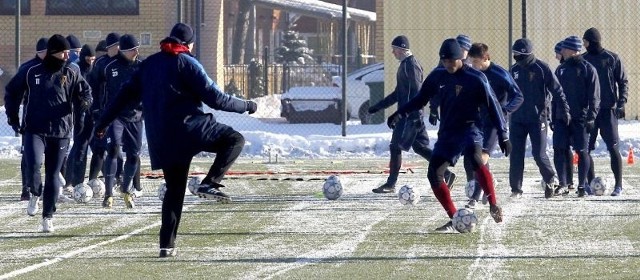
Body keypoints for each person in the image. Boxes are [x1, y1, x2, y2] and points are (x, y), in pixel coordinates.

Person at [94, 23, 257, 257]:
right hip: (190, 129)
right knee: (234, 140)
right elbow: (216, 98)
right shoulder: (187, 62)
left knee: (174, 191)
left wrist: (102, 123)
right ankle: (210, 182)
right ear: (189, 44)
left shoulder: (148, 65)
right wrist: (247, 106)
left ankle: (166, 246)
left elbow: (122, 96)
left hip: (162, 138)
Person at [387, 38, 511, 233]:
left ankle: (493, 204)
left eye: (451, 61)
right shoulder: (437, 76)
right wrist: (400, 112)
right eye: (444, 62)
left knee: (476, 160)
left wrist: (503, 135)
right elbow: (420, 99)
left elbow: (493, 105)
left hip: (470, 129)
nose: (448, 65)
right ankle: (454, 218)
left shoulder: (476, 78)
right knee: (434, 173)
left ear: (460, 58)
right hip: (448, 132)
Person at [4, 34, 92, 232]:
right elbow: (12, 92)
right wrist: (13, 117)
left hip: (60, 131)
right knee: (34, 163)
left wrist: (84, 103)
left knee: (53, 174)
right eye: (64, 52)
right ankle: (35, 192)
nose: (67, 55)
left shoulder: (72, 71)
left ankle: (47, 216)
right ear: (53, 53)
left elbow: (85, 92)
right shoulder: (31, 71)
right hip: (35, 129)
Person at [368, 35, 455, 194]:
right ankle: (447, 173)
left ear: (401, 49)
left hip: (410, 116)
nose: (392, 52)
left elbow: (417, 93)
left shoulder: (411, 65)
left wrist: (404, 114)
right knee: (420, 147)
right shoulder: (404, 65)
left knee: (395, 146)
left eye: (394, 49)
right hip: (410, 114)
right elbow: (398, 93)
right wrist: (378, 106)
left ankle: (390, 184)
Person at [508, 38, 570, 199]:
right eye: (514, 54)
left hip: (537, 119)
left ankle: (550, 179)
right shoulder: (513, 70)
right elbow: (504, 93)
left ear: (527, 54)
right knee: (515, 154)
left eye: (519, 55)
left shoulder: (542, 69)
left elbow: (558, 91)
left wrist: (564, 110)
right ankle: (516, 189)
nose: (516, 58)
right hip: (516, 120)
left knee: (539, 154)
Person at [464, 42, 523, 208]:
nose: (472, 65)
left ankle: (474, 199)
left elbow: (518, 96)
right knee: (473, 157)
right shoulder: (473, 74)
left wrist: (504, 110)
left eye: (475, 61)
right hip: (477, 122)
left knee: (480, 159)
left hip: (494, 124)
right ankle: (488, 183)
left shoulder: (500, 74)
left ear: (484, 58)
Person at [97, 34, 143, 208]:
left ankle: (126, 190)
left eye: (138, 48)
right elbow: (99, 89)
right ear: (123, 50)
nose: (137, 52)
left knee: (134, 156)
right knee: (113, 150)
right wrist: (99, 111)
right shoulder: (108, 66)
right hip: (115, 116)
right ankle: (108, 194)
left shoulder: (142, 67)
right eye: (133, 49)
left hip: (135, 117)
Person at [582, 27, 628, 196]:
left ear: (593, 41)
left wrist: (621, 102)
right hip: (590, 113)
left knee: (613, 148)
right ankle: (590, 183)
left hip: (608, 110)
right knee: (586, 149)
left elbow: (623, 81)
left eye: (585, 41)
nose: (584, 44)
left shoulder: (612, 58)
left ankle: (618, 186)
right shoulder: (583, 60)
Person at [553, 36, 600, 197]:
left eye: (565, 49)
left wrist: (591, 116)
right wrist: (554, 117)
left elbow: (594, 96)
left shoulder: (588, 69)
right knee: (559, 149)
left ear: (572, 50)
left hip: (581, 118)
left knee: (582, 151)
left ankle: (581, 185)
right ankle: (563, 184)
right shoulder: (560, 69)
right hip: (561, 118)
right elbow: (555, 95)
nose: (562, 52)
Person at [87, 32, 125, 207]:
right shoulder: (101, 65)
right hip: (105, 113)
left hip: (126, 113)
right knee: (102, 148)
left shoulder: (126, 63)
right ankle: (94, 181)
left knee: (130, 151)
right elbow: (93, 87)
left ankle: (126, 182)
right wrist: (95, 108)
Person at [8, 37, 48, 201]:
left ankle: (54, 187)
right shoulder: (28, 68)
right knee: (29, 155)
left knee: (54, 153)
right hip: (31, 119)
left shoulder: (58, 68)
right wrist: (14, 118)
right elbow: (14, 94)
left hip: (54, 120)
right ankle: (26, 188)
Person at [428, 34, 473, 128]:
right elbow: (436, 86)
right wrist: (433, 108)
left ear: (468, 51)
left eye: (462, 49)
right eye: (458, 48)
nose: (459, 51)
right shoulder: (445, 65)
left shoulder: (473, 65)